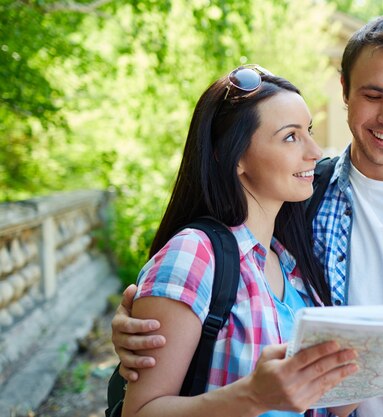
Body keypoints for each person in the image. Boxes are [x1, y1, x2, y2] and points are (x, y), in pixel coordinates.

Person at [112, 16, 383, 417]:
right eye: (373, 95)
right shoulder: (305, 201)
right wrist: (144, 322)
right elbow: (201, 299)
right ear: (345, 89)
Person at [116, 65, 360, 417]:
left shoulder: (292, 263)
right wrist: (253, 396)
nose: (315, 151)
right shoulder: (193, 254)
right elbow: (141, 412)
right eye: (290, 136)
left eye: (307, 131)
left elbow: (334, 403)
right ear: (236, 156)